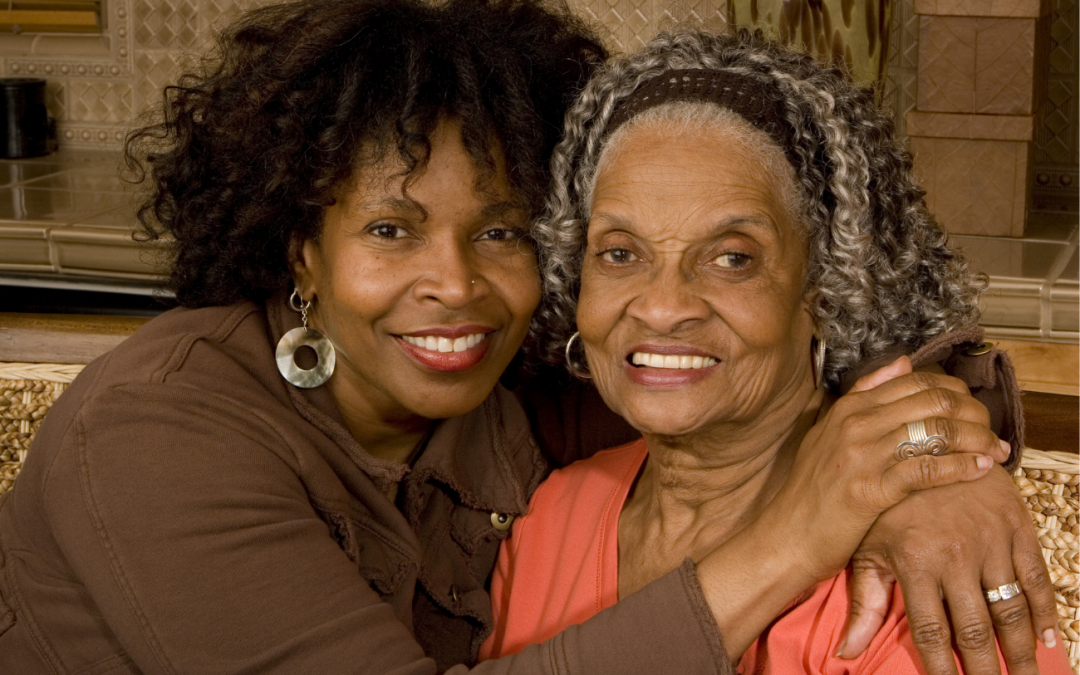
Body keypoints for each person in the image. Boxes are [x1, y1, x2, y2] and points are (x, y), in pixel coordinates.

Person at [0, 1, 1055, 673]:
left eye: (502, 230)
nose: (455, 285)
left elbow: (759, 359)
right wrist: (800, 533)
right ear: (300, 249)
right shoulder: (159, 437)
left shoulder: (516, 383)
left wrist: (936, 470)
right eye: (390, 229)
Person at [482, 27, 1072, 675]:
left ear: (825, 288)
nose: (662, 304)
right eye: (620, 254)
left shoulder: (917, 582)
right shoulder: (546, 526)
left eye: (733, 258)